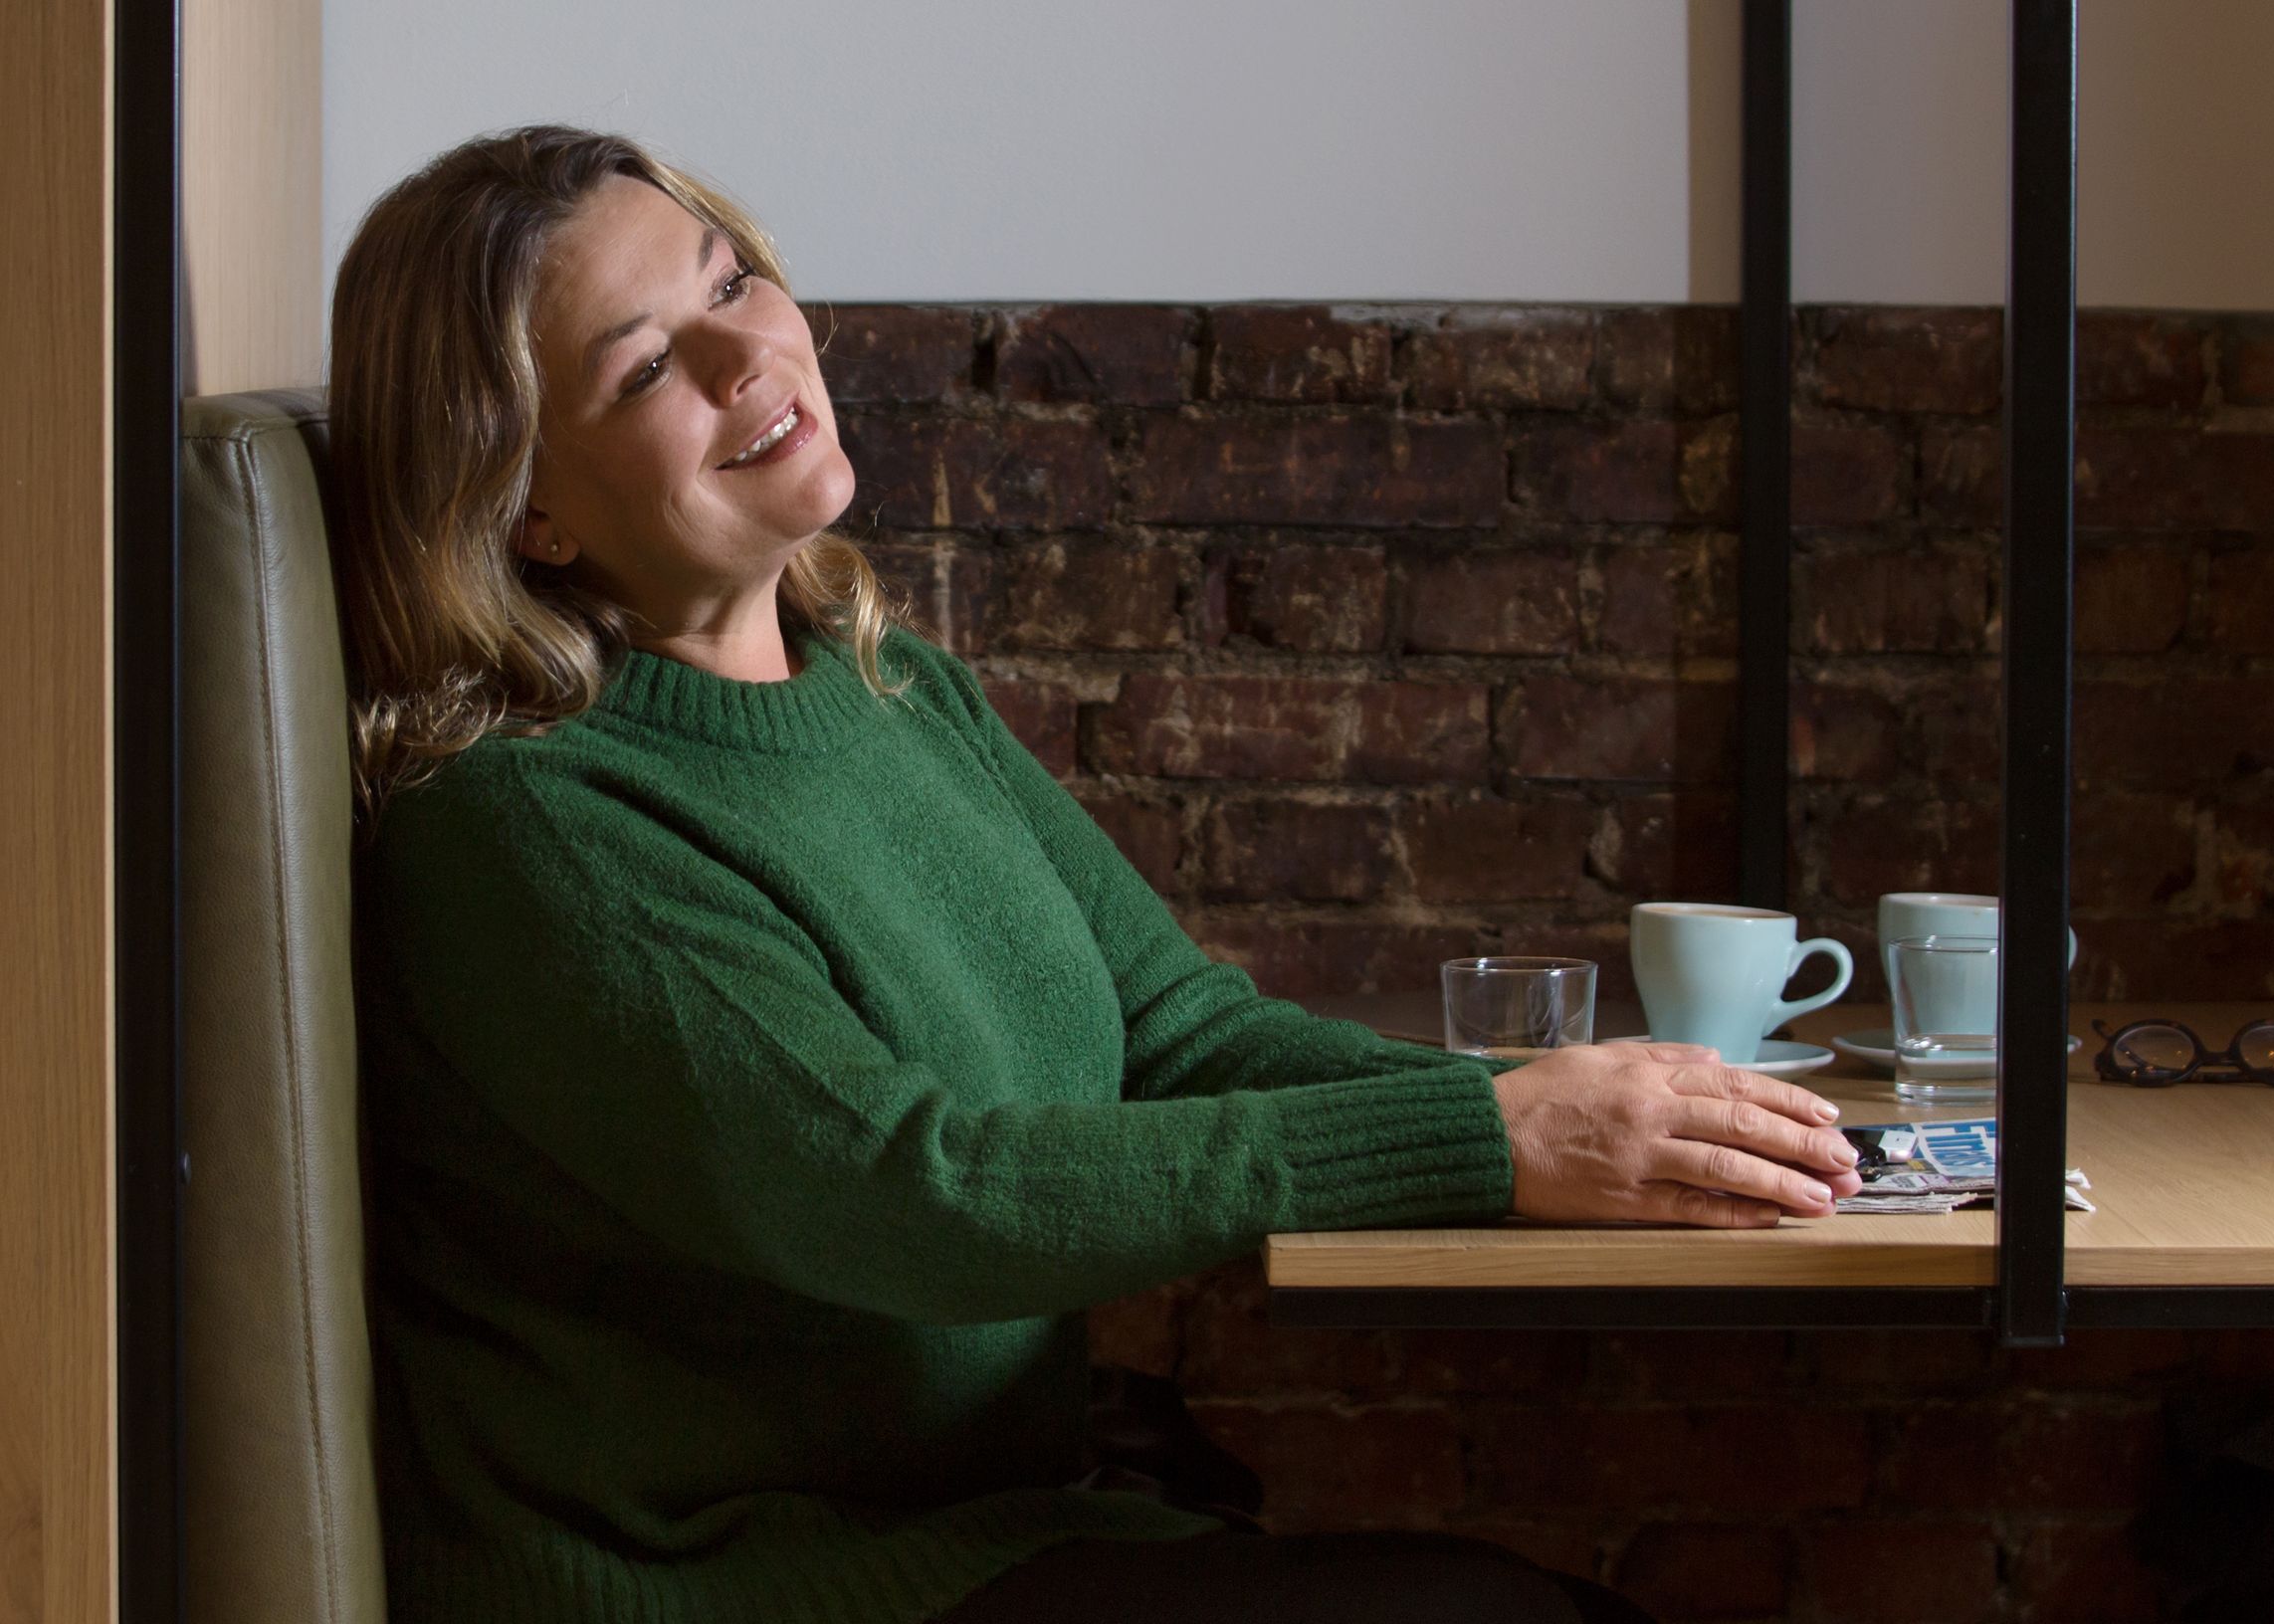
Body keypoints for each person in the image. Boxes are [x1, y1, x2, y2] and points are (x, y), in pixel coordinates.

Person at [331, 123, 1865, 1624]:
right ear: (526, 506)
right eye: (647, 365)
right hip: (744, 1582)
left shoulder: (891, 692)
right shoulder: (526, 827)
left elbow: (1180, 1034)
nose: (748, 361)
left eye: (729, 284)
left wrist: (1608, 1120)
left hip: (993, 1534)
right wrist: (1483, 1136)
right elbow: (905, 1196)